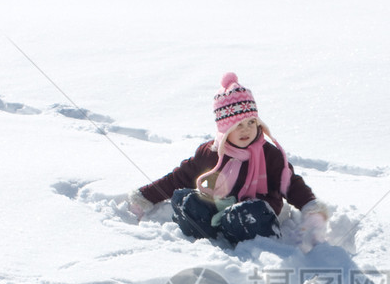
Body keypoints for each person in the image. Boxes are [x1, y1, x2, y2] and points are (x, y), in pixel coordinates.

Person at [128, 73, 328, 250]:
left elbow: (291, 184)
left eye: (251, 122)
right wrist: (145, 197)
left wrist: (311, 208)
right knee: (184, 199)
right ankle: (209, 236)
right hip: (218, 210)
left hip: (255, 216)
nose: (247, 130)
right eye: (238, 125)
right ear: (224, 129)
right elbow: (178, 178)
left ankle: (254, 241)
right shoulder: (210, 153)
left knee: (250, 211)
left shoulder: (269, 155)